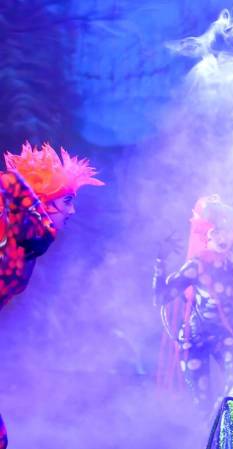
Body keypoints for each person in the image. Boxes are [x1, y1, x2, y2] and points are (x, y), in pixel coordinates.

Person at [0, 141, 103, 449]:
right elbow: (8, 183)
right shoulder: (8, 232)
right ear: (41, 202)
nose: (72, 210)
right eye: (66, 200)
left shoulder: (29, 242)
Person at [152, 195, 233, 408]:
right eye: (216, 232)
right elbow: (161, 298)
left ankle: (225, 422)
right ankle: (210, 423)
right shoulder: (196, 266)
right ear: (205, 235)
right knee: (203, 405)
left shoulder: (232, 259)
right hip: (195, 338)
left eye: (226, 231)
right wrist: (160, 261)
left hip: (226, 334)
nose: (223, 237)